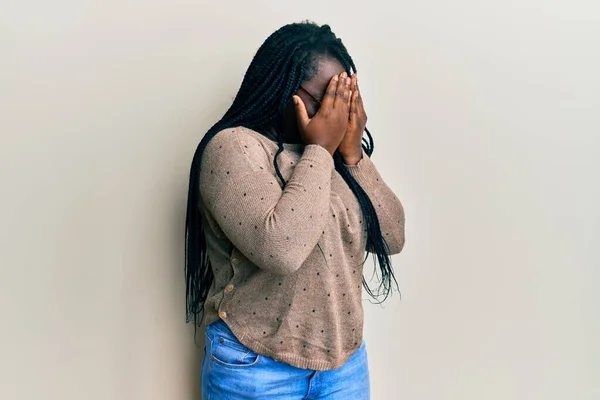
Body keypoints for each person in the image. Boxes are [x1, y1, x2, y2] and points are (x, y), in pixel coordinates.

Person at [184, 21, 406, 399]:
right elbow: (282, 249)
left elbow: (392, 237)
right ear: (286, 89)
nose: (337, 115)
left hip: (343, 367)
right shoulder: (233, 148)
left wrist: (352, 155)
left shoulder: (338, 156)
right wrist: (320, 149)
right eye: (328, 101)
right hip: (254, 367)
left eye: (346, 101)